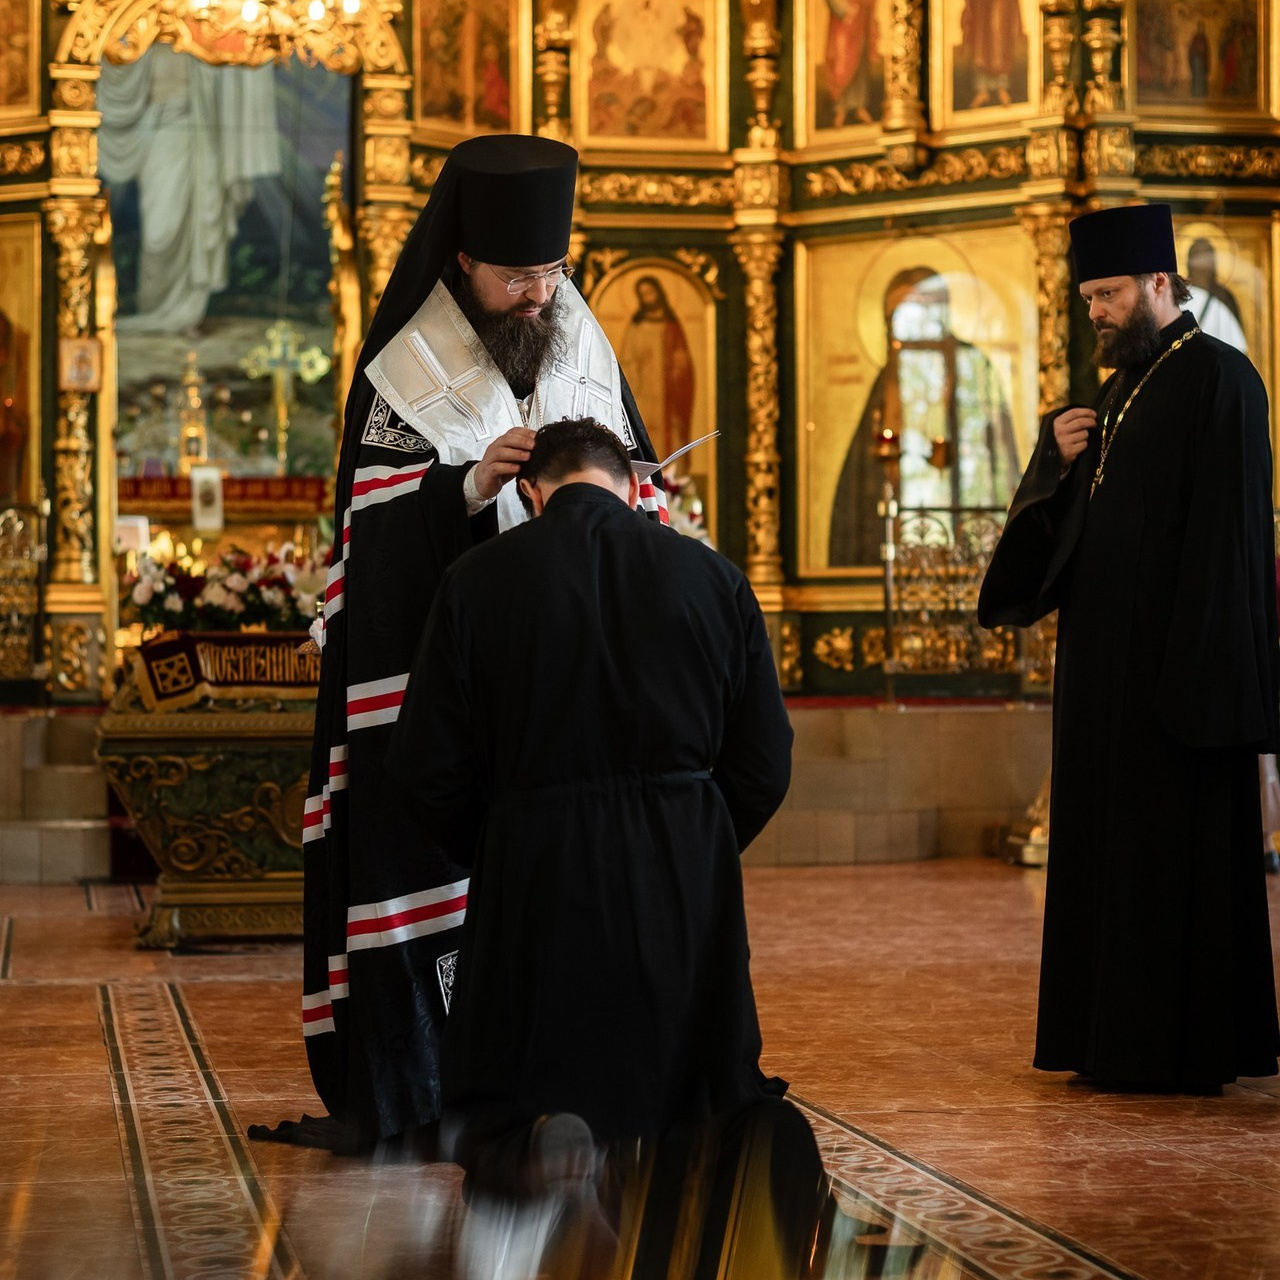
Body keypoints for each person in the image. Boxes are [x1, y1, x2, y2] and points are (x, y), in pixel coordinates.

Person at [290, 136, 668, 1154]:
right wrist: (462, 489)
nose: (540, 296)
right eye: (517, 277)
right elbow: (370, 544)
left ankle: (576, 1067)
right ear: (462, 263)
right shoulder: (404, 372)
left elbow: (642, 473)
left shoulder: (581, 335)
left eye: (550, 273)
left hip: (574, 685)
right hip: (454, 685)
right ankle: (432, 1078)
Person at [388, 418, 793, 1193]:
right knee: (684, 1070)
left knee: (535, 1058)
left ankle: (545, 1176)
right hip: (680, 855)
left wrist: (500, 841)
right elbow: (766, 758)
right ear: (636, 487)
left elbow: (423, 765)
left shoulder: (476, 580)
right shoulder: (713, 578)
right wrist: (700, 835)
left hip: (535, 853)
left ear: (531, 494)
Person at [978, 202, 1280, 1091]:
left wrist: (1203, 687)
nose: (1097, 313)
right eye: (1088, 299)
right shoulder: (1119, 387)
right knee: (1106, 859)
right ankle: (1106, 1036)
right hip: (1102, 678)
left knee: (1166, 864)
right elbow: (1082, 530)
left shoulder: (1223, 379)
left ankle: (1173, 1047)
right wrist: (1055, 465)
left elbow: (1230, 543)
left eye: (1109, 294)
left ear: (1159, 282)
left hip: (1175, 684)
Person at [829, 266, 1020, 567]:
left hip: (967, 520)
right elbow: (861, 481)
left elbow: (999, 460)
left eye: (921, 310)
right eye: (897, 316)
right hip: (905, 529)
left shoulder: (973, 367)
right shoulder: (886, 382)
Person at [98, 43, 280, 334]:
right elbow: (113, 78)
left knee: (196, 224)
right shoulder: (144, 46)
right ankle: (154, 310)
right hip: (158, 135)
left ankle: (186, 314)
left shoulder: (202, 46)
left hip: (195, 138)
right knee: (159, 231)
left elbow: (242, 69)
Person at [619, 274, 695, 464]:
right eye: (643, 294)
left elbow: (683, 363)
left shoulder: (671, 326)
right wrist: (638, 361)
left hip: (667, 392)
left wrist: (676, 365)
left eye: (651, 292)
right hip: (642, 389)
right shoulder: (635, 326)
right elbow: (625, 360)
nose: (648, 297)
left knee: (668, 431)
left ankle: (671, 473)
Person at [1185, 237, 1248, 352]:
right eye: (1198, 256)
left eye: (1206, 257)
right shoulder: (1179, 295)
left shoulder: (1224, 297)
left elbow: (1236, 346)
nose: (1202, 264)